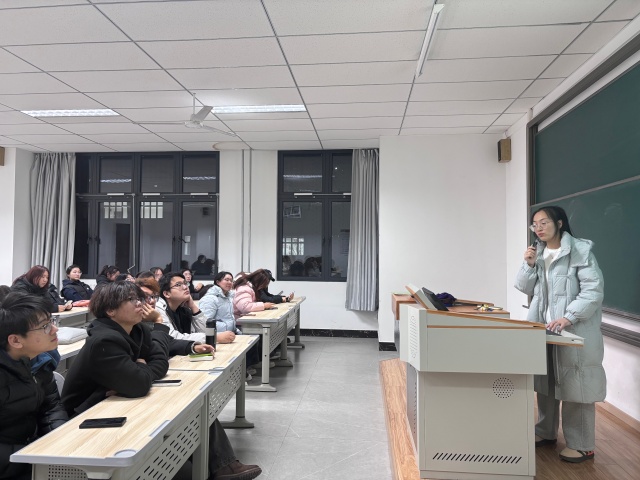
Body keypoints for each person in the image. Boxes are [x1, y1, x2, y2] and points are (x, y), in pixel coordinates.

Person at [135, 278, 261, 480]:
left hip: (151, 376)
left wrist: (193, 306)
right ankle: (221, 465)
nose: (149, 302)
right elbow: (167, 343)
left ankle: (222, 464)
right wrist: (160, 324)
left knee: (198, 405)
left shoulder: (181, 310)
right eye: (143, 298)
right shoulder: (149, 318)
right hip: (134, 391)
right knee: (193, 405)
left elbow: (200, 330)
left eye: (152, 297)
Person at [514, 205, 605, 464]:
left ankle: (582, 445)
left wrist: (569, 316)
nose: (539, 228)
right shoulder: (539, 253)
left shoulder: (580, 251)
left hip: (574, 329)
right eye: (535, 224)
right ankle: (546, 432)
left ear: (560, 223)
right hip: (545, 329)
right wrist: (529, 265)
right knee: (546, 382)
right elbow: (523, 287)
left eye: (544, 222)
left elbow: (593, 291)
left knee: (577, 386)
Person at [61, 281, 169, 416]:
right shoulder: (104, 341)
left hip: (112, 403)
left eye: (139, 299)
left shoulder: (138, 329)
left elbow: (161, 362)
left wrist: (140, 372)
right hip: (84, 413)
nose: (139, 303)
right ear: (110, 310)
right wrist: (141, 366)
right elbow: (139, 385)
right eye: (131, 299)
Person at [0, 292, 68, 480]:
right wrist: (32, 457)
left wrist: (60, 441)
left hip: (32, 456)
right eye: (45, 326)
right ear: (15, 340)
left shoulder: (39, 361)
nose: (54, 329)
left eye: (51, 321)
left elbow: (51, 407)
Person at [156, 272, 206, 342]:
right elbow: (172, 338)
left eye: (185, 283)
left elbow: (206, 331)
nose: (185, 287)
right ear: (166, 294)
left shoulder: (184, 309)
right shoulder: (158, 308)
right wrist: (208, 337)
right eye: (178, 285)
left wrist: (193, 307)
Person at [199, 271, 238, 344]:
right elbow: (205, 323)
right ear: (218, 282)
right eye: (226, 280)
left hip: (228, 336)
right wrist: (220, 335)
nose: (229, 282)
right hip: (217, 339)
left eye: (231, 280)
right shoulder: (210, 299)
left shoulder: (228, 298)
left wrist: (235, 331)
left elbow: (228, 319)